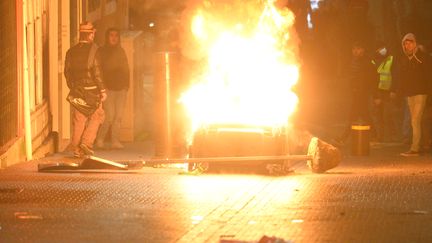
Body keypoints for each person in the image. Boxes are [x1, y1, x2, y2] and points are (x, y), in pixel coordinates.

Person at [64, 21, 107, 157]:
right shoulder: (95, 50)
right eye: (93, 33)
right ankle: (86, 143)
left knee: (79, 120)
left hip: (78, 90)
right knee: (98, 116)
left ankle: (76, 149)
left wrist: (73, 87)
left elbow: (67, 72)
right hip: (93, 90)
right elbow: (97, 71)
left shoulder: (70, 52)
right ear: (91, 35)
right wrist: (103, 90)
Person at [392, 33, 432, 156]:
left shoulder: (422, 57)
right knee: (416, 121)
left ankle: (415, 148)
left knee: (415, 120)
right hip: (410, 94)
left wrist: (429, 93)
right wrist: (398, 91)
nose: (406, 46)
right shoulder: (404, 59)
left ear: (415, 43)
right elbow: (402, 78)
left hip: (421, 93)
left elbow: (428, 75)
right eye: (405, 44)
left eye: (409, 43)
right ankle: (422, 145)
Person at [335, 41, 378, 144]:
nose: (355, 51)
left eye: (358, 49)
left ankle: (343, 138)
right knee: (364, 115)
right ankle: (375, 136)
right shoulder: (352, 62)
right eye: (354, 49)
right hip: (355, 93)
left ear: (363, 50)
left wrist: (375, 95)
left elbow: (372, 79)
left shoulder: (367, 62)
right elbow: (351, 78)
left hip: (362, 93)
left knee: (353, 116)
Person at [95, 28, 130, 149]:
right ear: (107, 37)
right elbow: (97, 70)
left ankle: (115, 140)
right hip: (108, 89)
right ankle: (100, 139)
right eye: (111, 35)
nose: (114, 38)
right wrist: (101, 87)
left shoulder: (121, 51)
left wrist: (126, 86)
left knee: (118, 116)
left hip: (121, 89)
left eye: (116, 35)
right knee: (109, 116)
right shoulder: (101, 51)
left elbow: (126, 69)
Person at [371, 41, 400, 142]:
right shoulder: (373, 60)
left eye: (383, 47)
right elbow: (372, 79)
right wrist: (375, 96)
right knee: (378, 116)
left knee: (389, 114)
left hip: (388, 91)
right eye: (380, 48)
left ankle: (392, 136)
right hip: (378, 92)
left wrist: (393, 90)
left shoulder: (391, 59)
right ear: (376, 50)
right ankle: (380, 136)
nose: (383, 50)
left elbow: (396, 75)